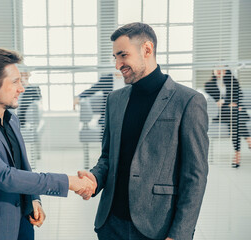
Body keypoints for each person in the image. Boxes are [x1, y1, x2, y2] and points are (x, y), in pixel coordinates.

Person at [77, 22, 209, 240]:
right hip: (110, 225)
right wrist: (95, 179)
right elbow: (108, 157)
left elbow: (195, 176)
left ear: (147, 49)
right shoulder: (114, 100)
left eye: (123, 55)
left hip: (157, 228)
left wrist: (179, 234)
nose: (118, 64)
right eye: (115, 57)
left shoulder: (188, 101)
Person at [0, 48, 96, 240]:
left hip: (21, 222)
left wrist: (32, 198)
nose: (22, 88)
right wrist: (69, 182)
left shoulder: (10, 119)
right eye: (15, 82)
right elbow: (5, 177)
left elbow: (21, 166)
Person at [205, 67, 251, 168]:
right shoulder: (209, 85)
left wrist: (235, 105)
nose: (219, 71)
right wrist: (228, 104)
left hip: (234, 111)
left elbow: (239, 96)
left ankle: (237, 155)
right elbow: (215, 101)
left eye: (222, 69)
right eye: (217, 69)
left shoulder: (233, 82)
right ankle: (248, 139)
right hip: (221, 113)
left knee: (235, 120)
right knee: (235, 115)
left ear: (226, 71)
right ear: (213, 70)